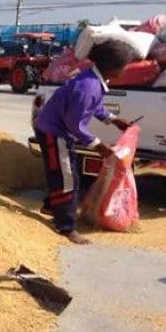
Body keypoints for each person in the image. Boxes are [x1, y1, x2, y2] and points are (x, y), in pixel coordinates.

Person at [33, 40, 134, 245]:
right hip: (54, 133)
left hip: (59, 132)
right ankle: (66, 227)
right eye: (124, 66)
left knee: (65, 174)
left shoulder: (93, 79)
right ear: (113, 67)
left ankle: (52, 207)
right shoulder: (88, 86)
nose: (125, 70)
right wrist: (98, 146)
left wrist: (113, 119)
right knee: (67, 179)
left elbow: (94, 107)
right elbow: (75, 125)